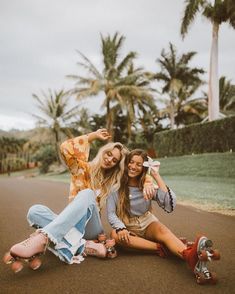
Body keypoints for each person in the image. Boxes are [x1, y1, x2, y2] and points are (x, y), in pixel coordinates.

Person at [5, 129, 129, 266]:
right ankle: (83, 246)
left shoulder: (112, 183)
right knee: (35, 211)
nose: (109, 159)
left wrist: (148, 183)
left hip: (92, 227)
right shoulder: (82, 168)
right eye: (109, 154)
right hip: (73, 224)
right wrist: (93, 136)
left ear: (117, 165)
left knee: (88, 194)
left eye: (114, 160)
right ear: (103, 152)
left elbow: (137, 171)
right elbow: (65, 148)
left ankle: (42, 238)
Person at [106, 149, 220, 284]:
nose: (133, 167)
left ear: (144, 167)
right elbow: (111, 213)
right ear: (126, 163)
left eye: (138, 164)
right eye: (131, 162)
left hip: (147, 221)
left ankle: (189, 255)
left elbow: (169, 204)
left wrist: (156, 175)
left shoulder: (147, 186)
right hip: (126, 225)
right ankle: (164, 248)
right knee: (115, 235)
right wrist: (121, 227)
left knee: (163, 231)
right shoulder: (116, 187)